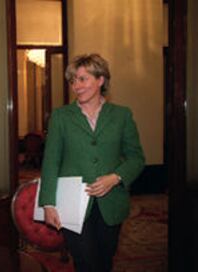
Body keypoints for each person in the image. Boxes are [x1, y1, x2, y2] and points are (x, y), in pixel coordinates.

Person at [38, 53, 145, 272]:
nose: (76, 86)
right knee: (85, 263)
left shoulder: (122, 115)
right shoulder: (61, 117)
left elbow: (136, 158)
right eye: (73, 80)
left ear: (100, 80)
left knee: (105, 262)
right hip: (72, 204)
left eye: (82, 79)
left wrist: (115, 178)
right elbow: (51, 162)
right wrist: (48, 203)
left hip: (111, 203)